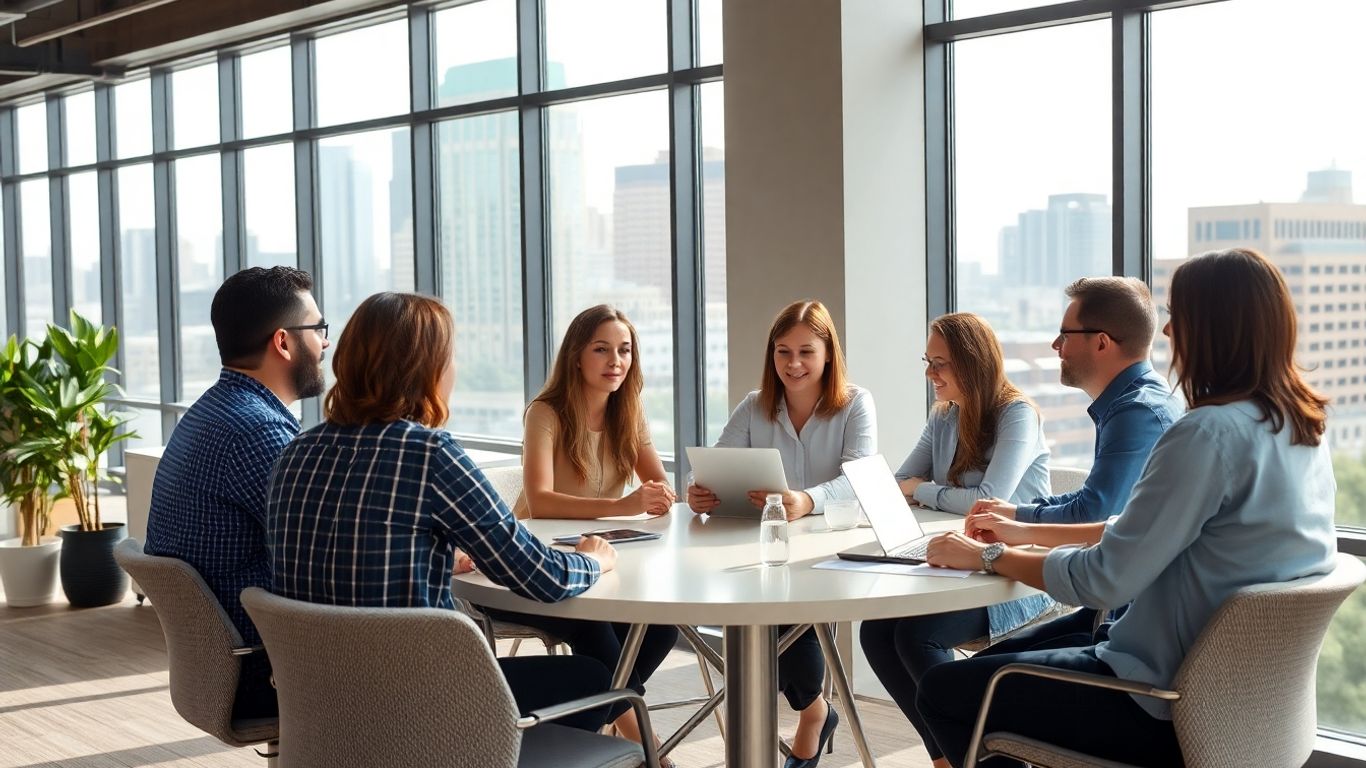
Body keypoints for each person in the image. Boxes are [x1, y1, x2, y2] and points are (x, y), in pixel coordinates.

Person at [917, 247, 1338, 767]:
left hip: (1158, 702)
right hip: (1241, 706)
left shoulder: (1207, 434)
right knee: (991, 664)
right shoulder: (1300, 431)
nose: (1166, 335)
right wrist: (1019, 529)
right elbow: (1133, 531)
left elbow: (1105, 581)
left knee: (941, 690)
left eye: (1176, 319)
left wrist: (988, 557)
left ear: (1212, 328)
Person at [266, 292, 621, 733]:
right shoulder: (429, 453)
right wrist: (593, 559)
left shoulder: (295, 452)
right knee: (593, 677)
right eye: (449, 357)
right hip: (420, 708)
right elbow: (539, 576)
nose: (454, 370)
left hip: (320, 704)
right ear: (426, 369)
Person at [688, 299, 877, 768]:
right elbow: (718, 465)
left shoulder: (856, 404)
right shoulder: (755, 406)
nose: (793, 364)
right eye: (782, 352)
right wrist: (699, 492)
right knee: (758, 606)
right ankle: (815, 709)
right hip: (757, 547)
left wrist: (807, 500)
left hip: (831, 548)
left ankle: (810, 717)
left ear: (828, 353)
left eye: (806, 352)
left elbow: (860, 477)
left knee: (788, 613)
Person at [859, 312, 1051, 768]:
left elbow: (989, 501)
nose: (930, 374)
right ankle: (950, 757)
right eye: (927, 361)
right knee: (876, 631)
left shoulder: (1016, 415)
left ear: (973, 363)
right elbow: (899, 478)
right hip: (958, 566)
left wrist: (922, 491)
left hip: (1015, 573)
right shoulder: (944, 417)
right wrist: (919, 488)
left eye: (940, 363)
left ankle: (990, 761)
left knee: (917, 636)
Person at [489, 305, 679, 749]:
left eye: (625, 350)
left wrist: (660, 497)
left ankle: (592, 731)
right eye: (602, 349)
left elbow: (658, 488)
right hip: (534, 569)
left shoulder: (628, 412)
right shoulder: (546, 412)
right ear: (577, 355)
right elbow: (540, 500)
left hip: (600, 566)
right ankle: (645, 748)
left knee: (662, 628)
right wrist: (623, 504)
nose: (616, 361)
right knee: (594, 628)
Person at [960, 277, 1183, 654]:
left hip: (1122, 621)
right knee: (904, 646)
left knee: (940, 674)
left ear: (1101, 342)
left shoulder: (1137, 412)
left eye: (1065, 333)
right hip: (1113, 608)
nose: (1055, 344)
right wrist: (1014, 513)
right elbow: (1095, 503)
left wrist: (1012, 529)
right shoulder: (1131, 404)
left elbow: (1096, 513)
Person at [144, 266, 328, 719]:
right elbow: (327, 549)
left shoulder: (211, 412)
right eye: (319, 329)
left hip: (217, 665)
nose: (325, 343)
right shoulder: (256, 432)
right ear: (283, 342)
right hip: (265, 670)